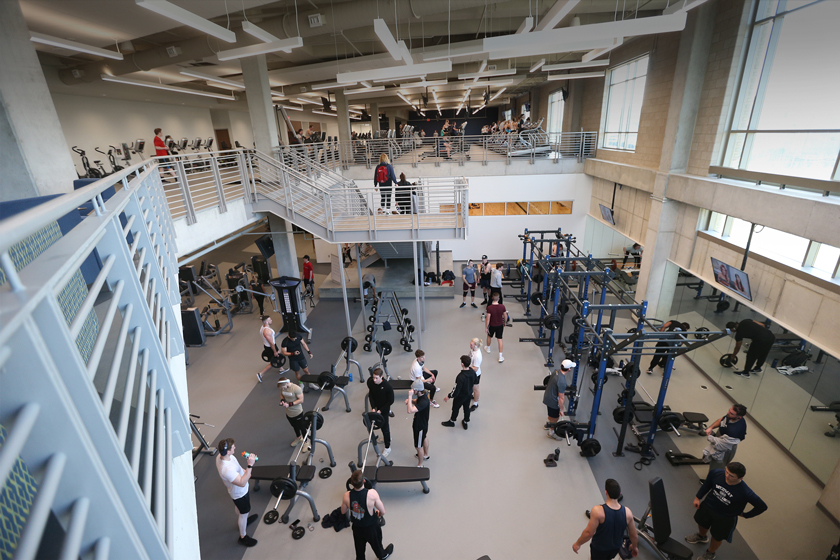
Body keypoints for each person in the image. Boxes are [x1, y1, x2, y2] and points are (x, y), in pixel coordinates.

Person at [685, 462, 767, 560]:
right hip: (708, 506)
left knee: (717, 536)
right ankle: (701, 536)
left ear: (740, 478)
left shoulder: (746, 492)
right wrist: (698, 497)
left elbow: (762, 506)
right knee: (702, 523)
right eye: (726, 472)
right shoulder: (716, 473)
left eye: (731, 475)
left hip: (725, 517)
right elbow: (707, 484)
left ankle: (710, 552)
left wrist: (745, 515)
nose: (727, 476)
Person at [573, 479, 639, 559]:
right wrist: (634, 547)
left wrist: (578, 544)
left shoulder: (598, 511)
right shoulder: (628, 512)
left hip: (599, 548)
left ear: (606, 492)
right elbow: (634, 535)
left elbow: (588, 533)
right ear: (620, 494)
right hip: (616, 548)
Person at [341, 469, 394, 560]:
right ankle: (382, 555)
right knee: (376, 544)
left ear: (352, 483)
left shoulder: (347, 495)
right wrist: (379, 514)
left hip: (357, 528)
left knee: (359, 549)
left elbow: (343, 511)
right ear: (364, 481)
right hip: (371, 527)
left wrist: (350, 505)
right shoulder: (372, 494)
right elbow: (383, 511)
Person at [215, 438, 258, 547]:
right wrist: (250, 466)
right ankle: (243, 536)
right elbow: (242, 482)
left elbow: (237, 468)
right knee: (244, 513)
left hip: (240, 492)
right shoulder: (226, 469)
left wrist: (244, 471)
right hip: (240, 494)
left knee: (241, 510)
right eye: (233, 447)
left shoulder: (223, 457)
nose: (235, 447)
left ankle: (243, 521)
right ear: (228, 451)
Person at [702, 404, 747, 478]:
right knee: (713, 462)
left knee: (717, 468)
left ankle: (713, 482)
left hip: (725, 446)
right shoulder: (731, 416)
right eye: (729, 410)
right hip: (721, 438)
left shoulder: (734, 431)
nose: (728, 413)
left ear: (739, 417)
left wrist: (710, 438)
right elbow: (722, 420)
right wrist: (711, 427)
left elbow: (721, 445)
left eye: (731, 413)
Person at [442, 355, 475, 429]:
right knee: (466, 409)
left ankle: (452, 421)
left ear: (462, 364)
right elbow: (476, 381)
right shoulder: (472, 372)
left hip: (460, 397)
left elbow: (456, 390)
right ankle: (466, 421)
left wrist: (449, 396)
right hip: (469, 395)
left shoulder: (460, 377)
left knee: (455, 408)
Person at [367, 368, 394, 457]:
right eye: (373, 377)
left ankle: (387, 447)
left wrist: (381, 410)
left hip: (384, 409)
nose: (374, 380)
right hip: (377, 408)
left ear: (381, 377)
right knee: (381, 425)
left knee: (385, 427)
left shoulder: (387, 387)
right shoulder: (371, 383)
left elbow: (391, 401)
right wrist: (373, 408)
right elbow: (371, 395)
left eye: (376, 378)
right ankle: (386, 438)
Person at [278, 377, 310, 451]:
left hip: (297, 412)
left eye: (283, 387)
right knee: (294, 426)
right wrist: (282, 400)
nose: (283, 389)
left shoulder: (296, 388)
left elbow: (301, 400)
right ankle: (298, 438)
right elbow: (282, 395)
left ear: (286, 383)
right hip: (289, 412)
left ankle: (306, 442)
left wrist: (290, 404)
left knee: (302, 427)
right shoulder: (282, 388)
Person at [544, 360, 573, 436]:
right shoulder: (562, 382)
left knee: (551, 414)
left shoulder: (556, 371)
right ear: (569, 369)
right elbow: (561, 398)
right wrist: (562, 410)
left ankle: (548, 424)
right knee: (555, 417)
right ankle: (551, 432)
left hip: (547, 396)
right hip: (553, 401)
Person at [406, 380, 431, 467]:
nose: (412, 391)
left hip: (419, 426)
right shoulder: (424, 396)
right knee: (424, 437)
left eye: (413, 390)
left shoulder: (424, 401)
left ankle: (420, 465)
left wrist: (409, 397)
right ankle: (426, 455)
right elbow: (418, 401)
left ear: (418, 390)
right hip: (423, 424)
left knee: (418, 447)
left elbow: (410, 411)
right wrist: (411, 401)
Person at [484, 292, 508, 363]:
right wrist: (505, 322)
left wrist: (486, 327)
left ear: (492, 298)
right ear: (499, 299)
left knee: (489, 336)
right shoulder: (502, 306)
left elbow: (488, 318)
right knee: (500, 339)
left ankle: (488, 348)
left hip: (492, 325)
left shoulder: (489, 308)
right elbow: (505, 315)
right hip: (500, 325)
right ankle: (500, 357)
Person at [256, 315, 278, 383]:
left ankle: (281, 368)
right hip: (270, 347)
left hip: (267, 345)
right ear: (266, 322)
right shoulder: (267, 332)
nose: (271, 320)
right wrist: (274, 351)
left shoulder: (263, 327)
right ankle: (260, 374)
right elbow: (271, 343)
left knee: (278, 355)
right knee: (273, 361)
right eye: (270, 320)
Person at [468, 337, 483, 411]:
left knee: (475, 389)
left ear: (476, 345)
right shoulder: (473, 350)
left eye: (471, 344)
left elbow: (476, 368)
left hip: (475, 375)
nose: (470, 345)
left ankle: (475, 403)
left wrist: (467, 368)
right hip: (470, 373)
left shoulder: (477, 356)